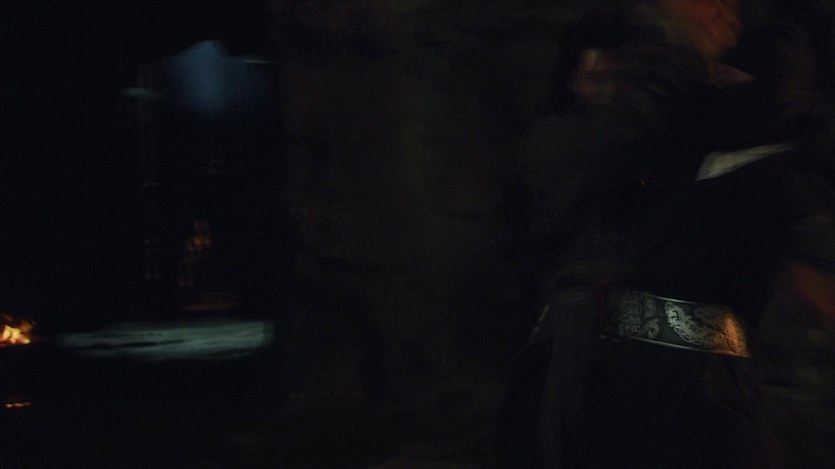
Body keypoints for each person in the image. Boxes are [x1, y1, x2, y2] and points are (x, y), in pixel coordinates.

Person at [497, 0, 835, 467]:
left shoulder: (772, 177)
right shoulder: (618, 152)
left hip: (689, 389)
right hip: (601, 376)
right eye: (596, 80)